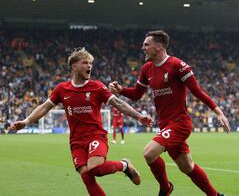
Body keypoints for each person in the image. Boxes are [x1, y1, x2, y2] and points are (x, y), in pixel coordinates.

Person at [10, 47, 153, 196]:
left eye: (90, 63)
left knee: (95, 168)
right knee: (86, 176)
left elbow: (118, 103)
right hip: (76, 141)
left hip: (96, 136)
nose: (89, 66)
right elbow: (44, 107)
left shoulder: (97, 87)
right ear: (74, 66)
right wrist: (25, 122)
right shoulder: (62, 89)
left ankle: (124, 165)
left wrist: (139, 116)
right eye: (85, 63)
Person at [109, 30, 230, 196]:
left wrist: (218, 112)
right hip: (165, 125)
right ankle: (215, 195)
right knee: (187, 167)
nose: (142, 48)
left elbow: (197, 91)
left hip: (179, 123)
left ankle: (165, 188)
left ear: (158, 46)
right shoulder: (146, 69)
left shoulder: (177, 65)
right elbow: (137, 94)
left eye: (146, 44)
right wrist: (121, 90)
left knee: (149, 153)